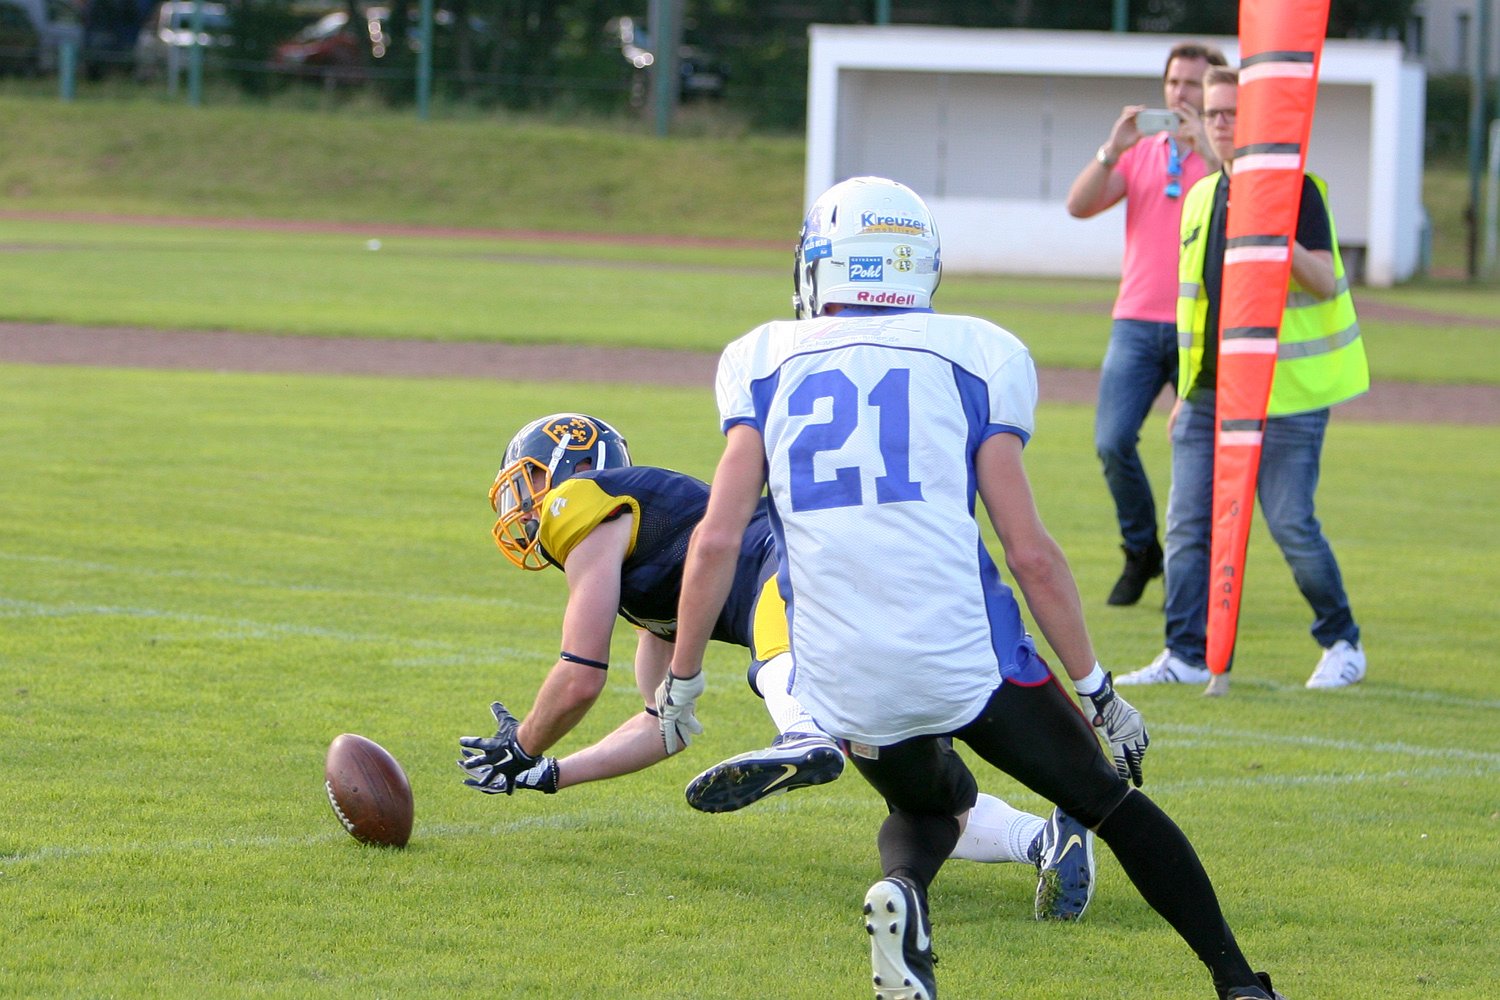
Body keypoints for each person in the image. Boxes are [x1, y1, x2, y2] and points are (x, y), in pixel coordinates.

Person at [657, 176, 1287, 1000]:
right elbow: (1030, 554)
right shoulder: (975, 352)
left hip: (841, 674)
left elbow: (716, 540)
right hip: (966, 658)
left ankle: (904, 895)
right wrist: (1099, 692)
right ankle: (1240, 983)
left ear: (824, 267)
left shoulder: (762, 358)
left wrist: (683, 679)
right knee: (1108, 803)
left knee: (929, 808)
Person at [456, 412, 1098, 920]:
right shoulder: (642, 581)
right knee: (915, 789)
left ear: (574, 468)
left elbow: (579, 676)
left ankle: (803, 732)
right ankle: (1043, 839)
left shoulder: (580, 505)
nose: (521, 499)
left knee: (775, 651)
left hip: (799, 564)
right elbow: (663, 727)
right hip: (854, 582)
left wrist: (522, 743)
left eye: (529, 479)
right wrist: (550, 772)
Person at [1115, 67, 1369, 694]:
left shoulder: (1296, 189)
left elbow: (1325, 281)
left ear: (1256, 121)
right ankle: (1184, 654)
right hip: (1209, 394)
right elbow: (1197, 308)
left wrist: (1274, 233)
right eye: (1213, 113)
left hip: (1289, 394)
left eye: (1233, 113)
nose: (1222, 123)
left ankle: (1342, 641)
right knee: (1187, 526)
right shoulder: (1202, 196)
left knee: (1289, 522)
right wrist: (1185, 395)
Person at [1066, 41, 1228, 607]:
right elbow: (1079, 205)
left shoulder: (1226, 158)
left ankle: (1190, 576)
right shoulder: (1141, 152)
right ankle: (1141, 550)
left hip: (1200, 324)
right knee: (1112, 442)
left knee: (1195, 450)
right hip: (1136, 320)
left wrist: (1209, 151)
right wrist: (1112, 150)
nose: (1181, 93)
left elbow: (1246, 212)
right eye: (1174, 82)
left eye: (1193, 84)